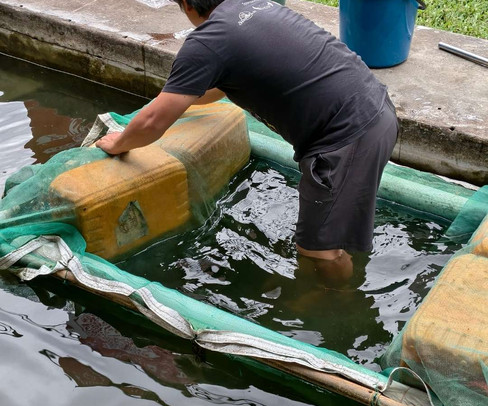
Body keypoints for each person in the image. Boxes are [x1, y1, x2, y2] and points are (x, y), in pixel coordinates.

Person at [96, 0, 398, 283]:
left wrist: (119, 143)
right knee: (330, 226)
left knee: (320, 250)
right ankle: (345, 263)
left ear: (187, 5)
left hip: (347, 138)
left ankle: (342, 308)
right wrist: (179, 101)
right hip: (375, 109)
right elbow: (224, 86)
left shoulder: (206, 41)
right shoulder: (255, 6)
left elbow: (151, 122)